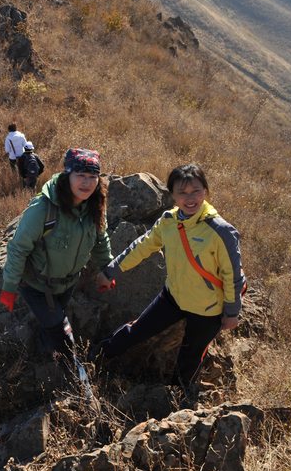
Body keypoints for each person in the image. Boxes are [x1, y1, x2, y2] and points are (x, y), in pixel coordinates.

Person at [91, 163, 246, 393]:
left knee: (190, 355)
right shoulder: (169, 221)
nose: (190, 198)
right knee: (137, 330)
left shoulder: (221, 231)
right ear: (172, 195)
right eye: (182, 193)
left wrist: (232, 313)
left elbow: (232, 275)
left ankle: (176, 398)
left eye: (196, 191)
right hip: (173, 296)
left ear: (206, 190)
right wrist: (110, 271)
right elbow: (141, 247)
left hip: (208, 310)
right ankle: (95, 358)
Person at [0, 148, 115, 362]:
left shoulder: (95, 204)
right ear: (67, 175)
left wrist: (107, 268)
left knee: (53, 325)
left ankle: (45, 352)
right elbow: (18, 248)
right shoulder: (44, 208)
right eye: (80, 175)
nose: (87, 183)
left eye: (92, 177)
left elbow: (100, 239)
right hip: (36, 286)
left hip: (67, 283)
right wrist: (9, 287)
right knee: (62, 338)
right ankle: (74, 379)